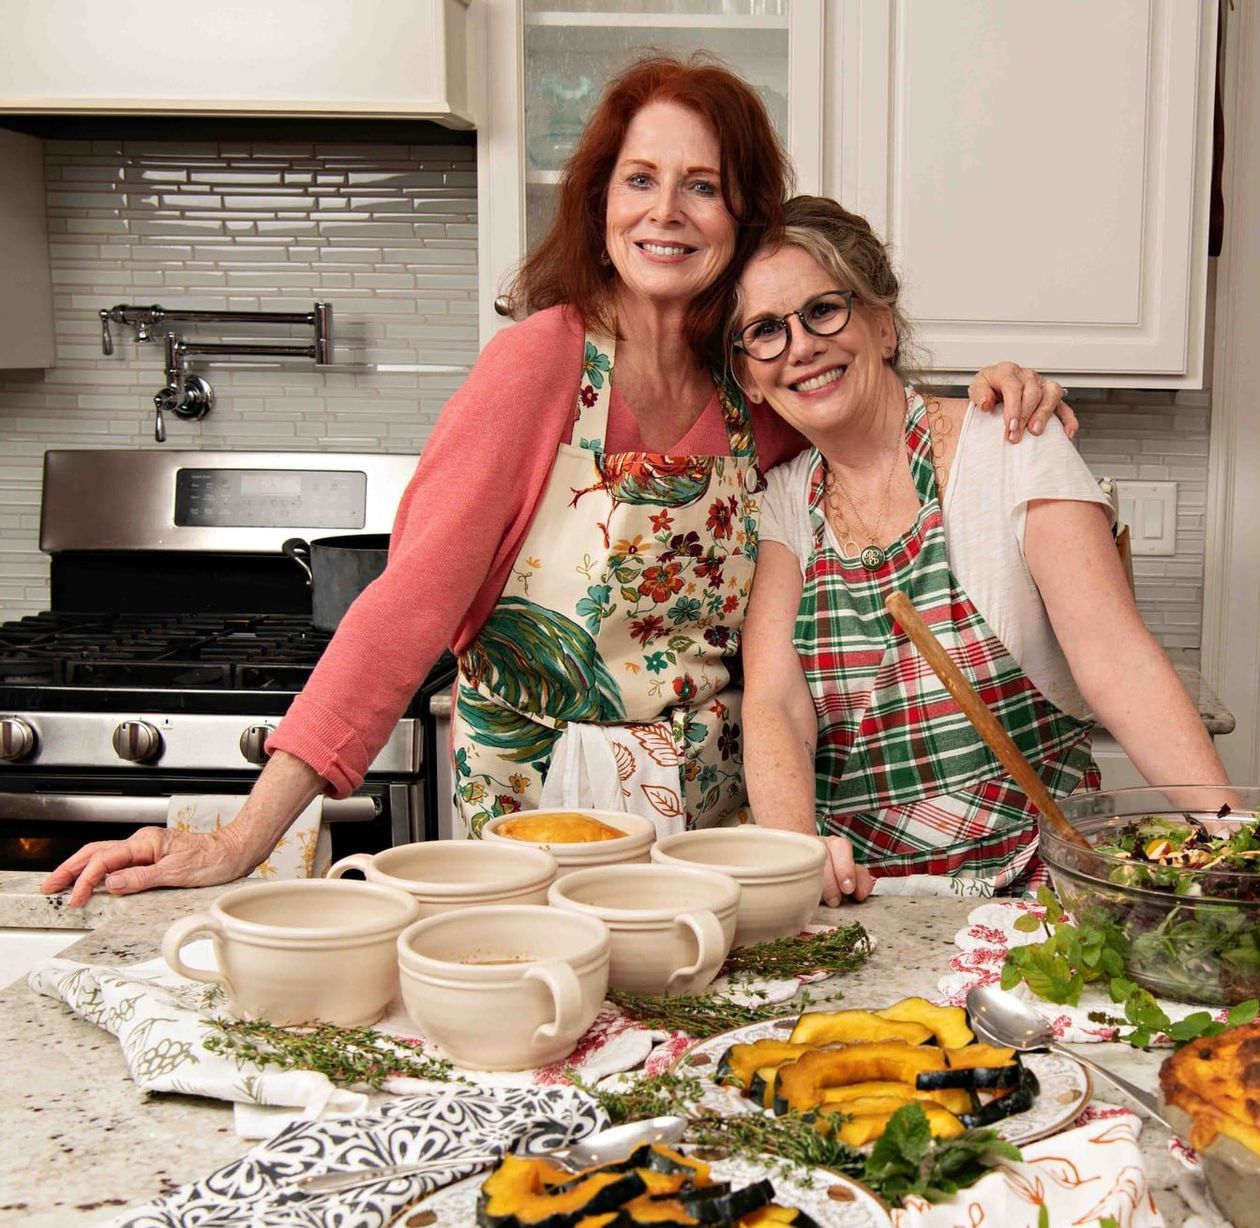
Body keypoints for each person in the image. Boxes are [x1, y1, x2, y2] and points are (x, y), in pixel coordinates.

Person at [45, 58, 1071, 908]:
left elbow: (861, 400)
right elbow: (401, 613)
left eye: (702, 185)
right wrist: (240, 839)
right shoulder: (538, 365)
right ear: (601, 200)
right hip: (539, 837)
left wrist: (989, 397)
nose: (666, 211)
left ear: (741, 216)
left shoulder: (749, 388)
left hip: (711, 844)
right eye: (640, 179)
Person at [735, 197, 1229, 906]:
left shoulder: (1014, 445)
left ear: (881, 324)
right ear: (750, 373)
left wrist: (1231, 841)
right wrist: (796, 856)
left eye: (822, 311)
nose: (801, 346)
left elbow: (1119, 666)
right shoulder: (782, 501)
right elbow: (776, 702)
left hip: (1037, 899)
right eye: (765, 331)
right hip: (869, 904)